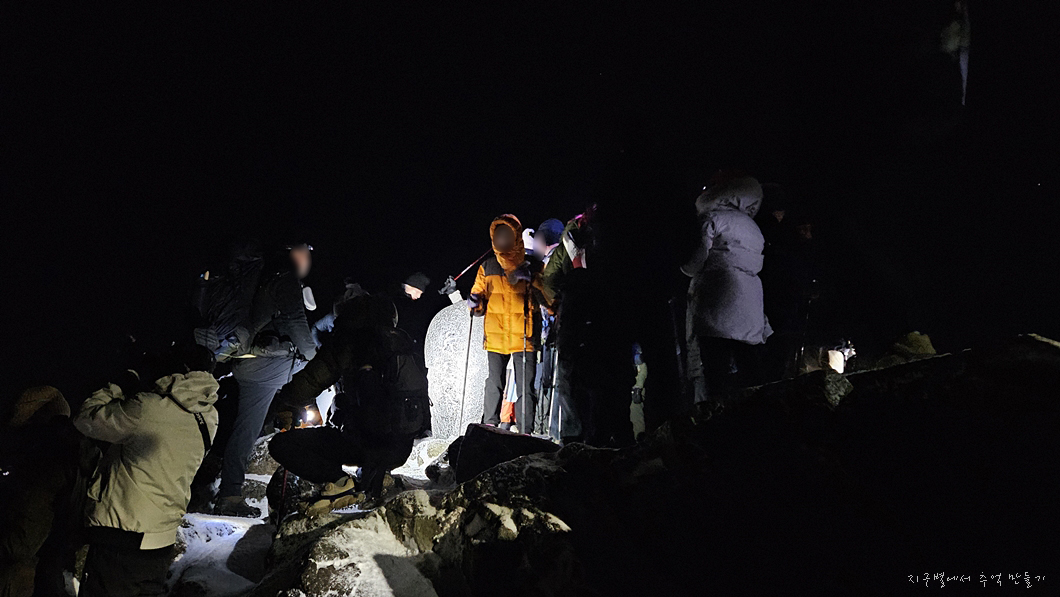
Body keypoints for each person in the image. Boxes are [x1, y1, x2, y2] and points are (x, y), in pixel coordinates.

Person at [74, 344, 219, 597]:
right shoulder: (209, 417)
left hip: (122, 535)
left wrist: (121, 384)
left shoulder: (146, 408)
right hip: (162, 539)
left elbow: (86, 418)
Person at [269, 294, 429, 512]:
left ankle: (340, 483)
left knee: (281, 444)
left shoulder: (347, 341)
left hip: (362, 444)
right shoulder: (401, 342)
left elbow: (308, 383)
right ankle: (369, 479)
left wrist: (284, 402)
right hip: (399, 448)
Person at [216, 242, 318, 517]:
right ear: (293, 253)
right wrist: (318, 358)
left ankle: (228, 490)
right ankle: (230, 495)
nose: (308, 259)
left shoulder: (265, 277)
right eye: (305, 252)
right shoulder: (285, 279)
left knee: (246, 427)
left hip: (249, 363)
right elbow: (297, 323)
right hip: (265, 367)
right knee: (325, 372)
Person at [683, 174, 772, 403]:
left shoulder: (712, 218)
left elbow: (697, 257)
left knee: (715, 367)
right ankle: (758, 410)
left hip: (717, 294)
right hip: (751, 300)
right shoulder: (753, 226)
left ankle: (716, 414)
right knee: (749, 365)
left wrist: (686, 270)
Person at [0, 387, 86, 597]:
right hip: (53, 564)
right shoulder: (78, 454)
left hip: (27, 569)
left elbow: (20, 542)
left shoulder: (44, 462)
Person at [467, 215, 543, 433]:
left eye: (506, 234)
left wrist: (531, 279)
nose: (502, 239)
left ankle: (525, 430)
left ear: (516, 236)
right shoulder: (488, 267)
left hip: (523, 334)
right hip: (496, 334)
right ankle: (489, 425)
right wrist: (474, 303)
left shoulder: (532, 266)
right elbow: (478, 301)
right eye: (498, 235)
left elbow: (547, 297)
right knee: (494, 382)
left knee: (525, 387)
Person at [531, 218, 564, 436]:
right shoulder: (548, 263)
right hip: (549, 333)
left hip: (555, 332)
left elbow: (551, 298)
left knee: (553, 382)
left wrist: (533, 284)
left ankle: (551, 429)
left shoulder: (553, 264)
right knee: (545, 382)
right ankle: (544, 427)